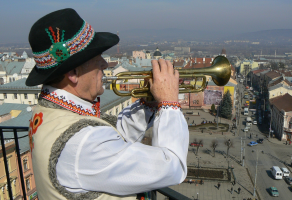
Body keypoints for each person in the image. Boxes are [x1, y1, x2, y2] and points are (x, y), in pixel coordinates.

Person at [26, 8, 188, 200]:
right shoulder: (83, 143)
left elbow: (114, 140)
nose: (105, 64)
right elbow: (172, 166)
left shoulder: (50, 112)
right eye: (97, 59)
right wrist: (169, 103)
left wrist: (149, 104)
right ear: (73, 74)